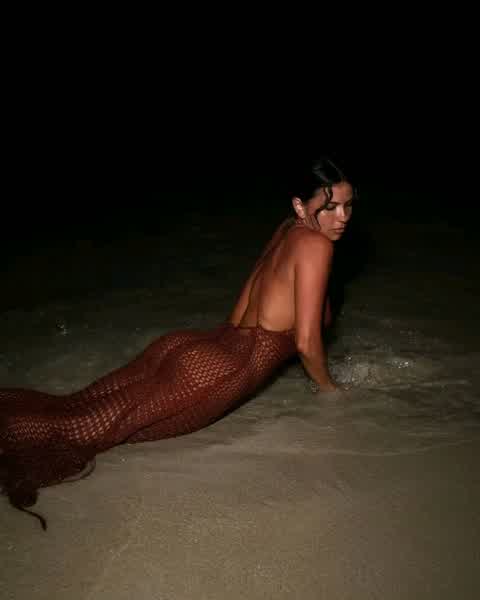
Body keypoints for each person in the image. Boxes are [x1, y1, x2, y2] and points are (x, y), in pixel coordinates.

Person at [0, 156, 355, 528]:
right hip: (216, 372)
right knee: (73, 431)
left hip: (194, 346)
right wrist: (331, 392)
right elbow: (306, 341)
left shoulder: (288, 230)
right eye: (330, 206)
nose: (342, 216)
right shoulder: (316, 245)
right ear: (300, 205)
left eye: (348, 206)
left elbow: (251, 309)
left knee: (70, 409)